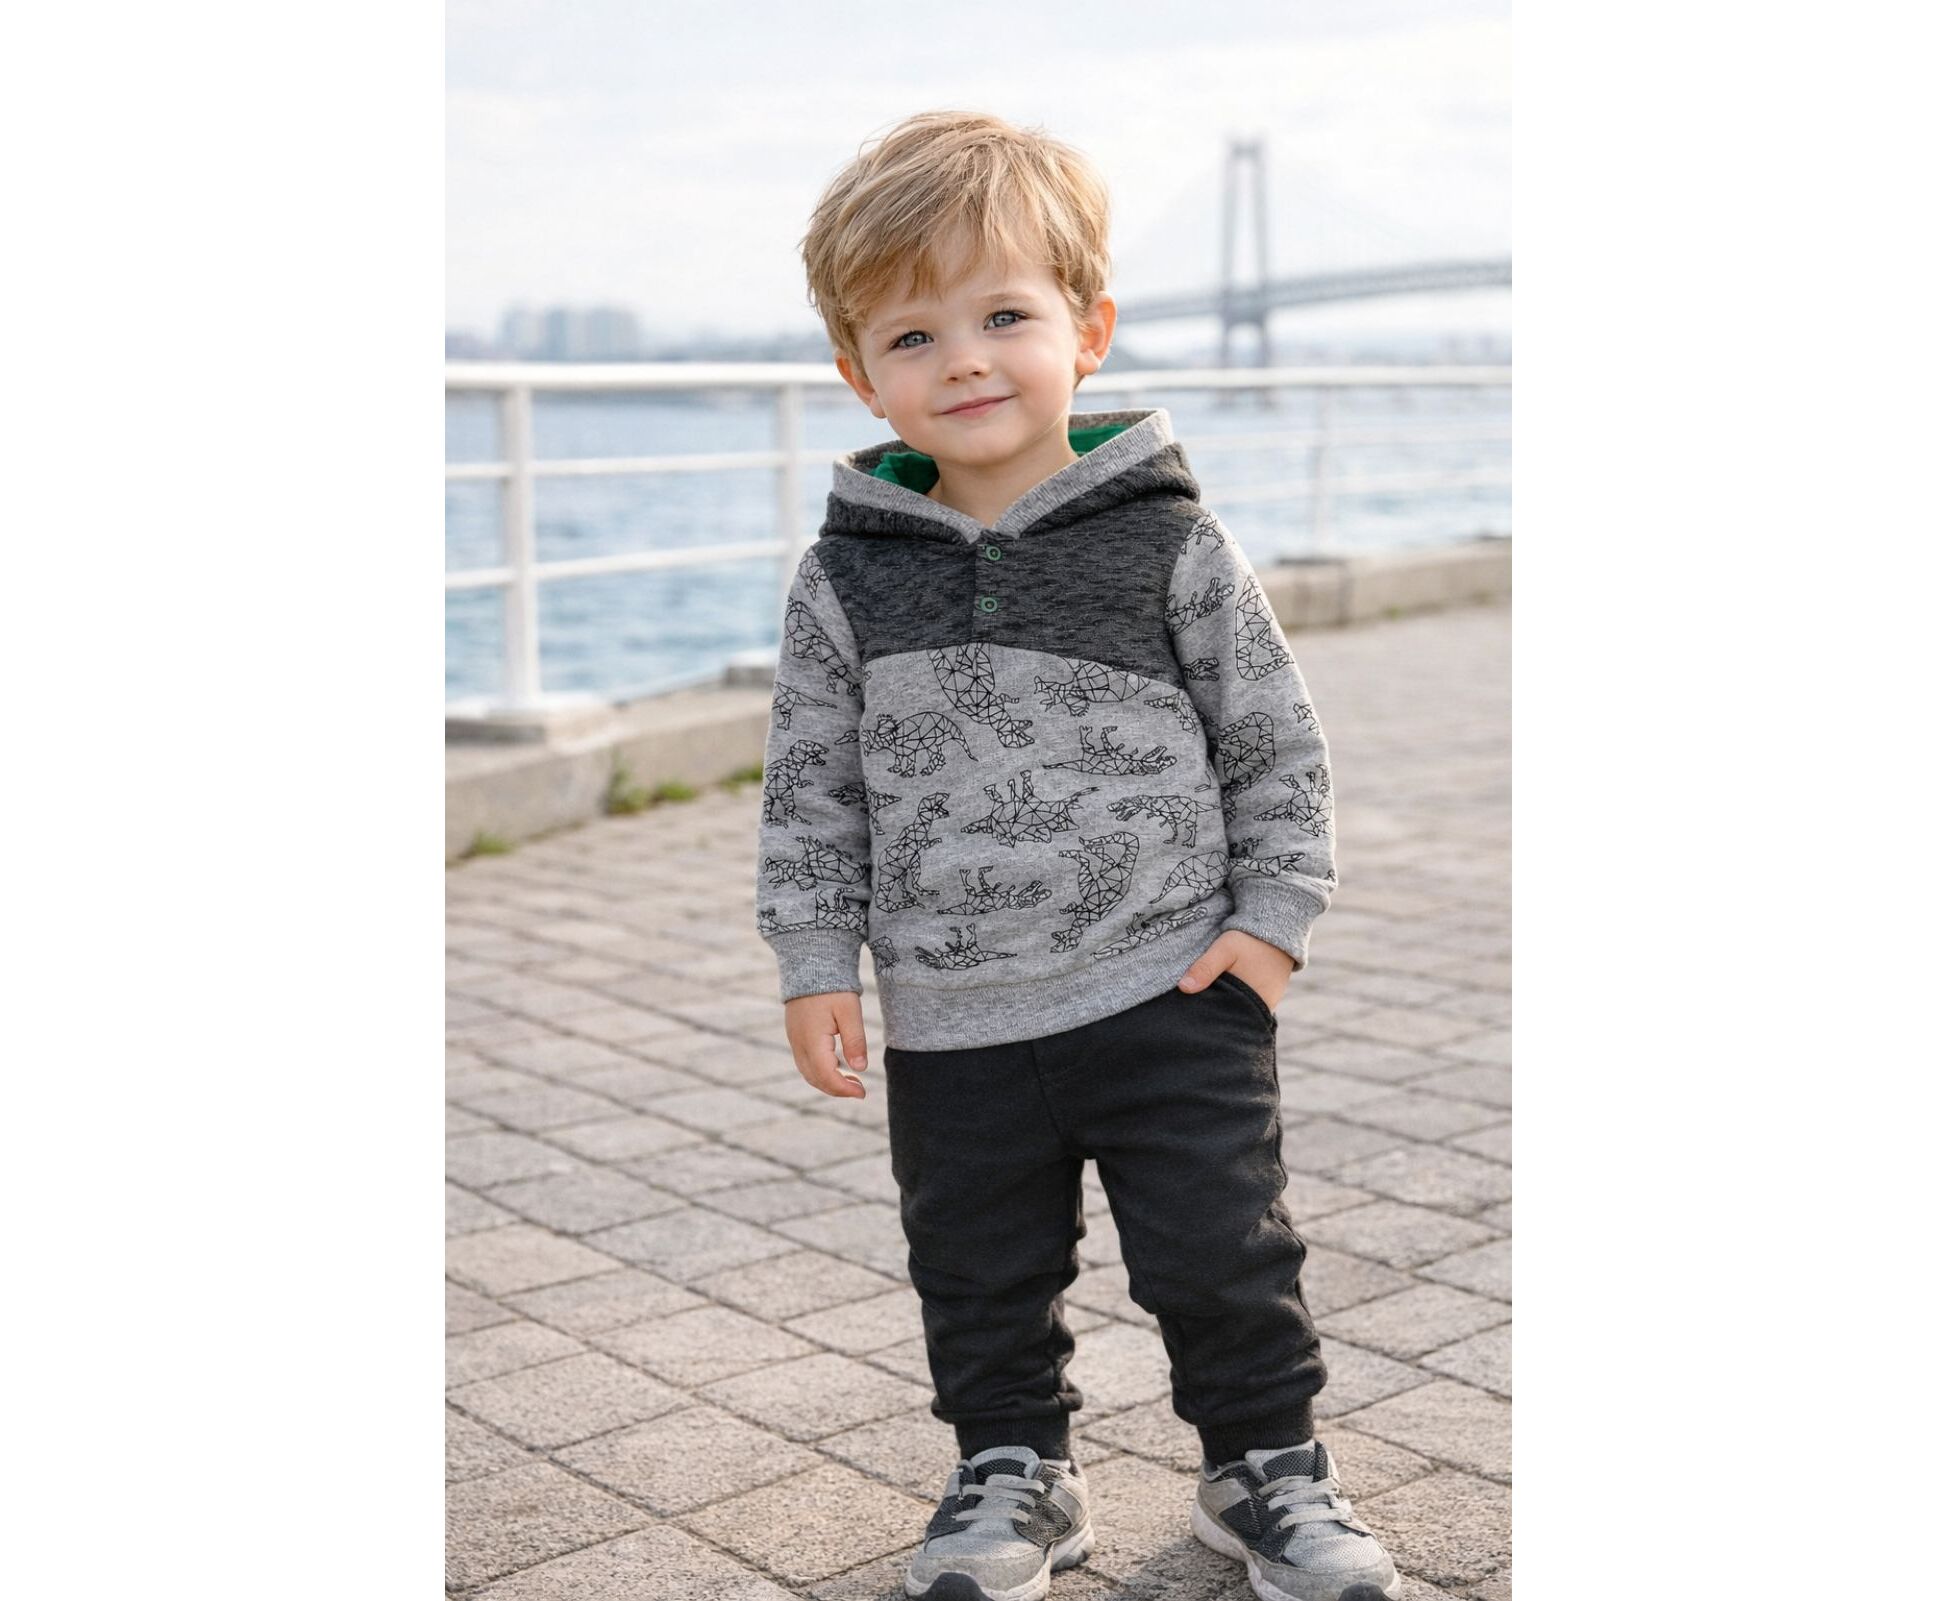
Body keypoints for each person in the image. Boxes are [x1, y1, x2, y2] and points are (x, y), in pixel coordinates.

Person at [754, 110, 1403, 1601]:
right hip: (952, 1013)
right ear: (860, 376)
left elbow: (1274, 740)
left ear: (1087, 332)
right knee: (976, 1268)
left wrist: (1272, 925)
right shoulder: (844, 577)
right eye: (913, 335)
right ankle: (1012, 1470)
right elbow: (808, 788)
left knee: (1222, 1253)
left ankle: (1266, 1465)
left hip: (1173, 984)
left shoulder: (1169, 542)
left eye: (1004, 316)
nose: (964, 360)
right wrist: (812, 959)